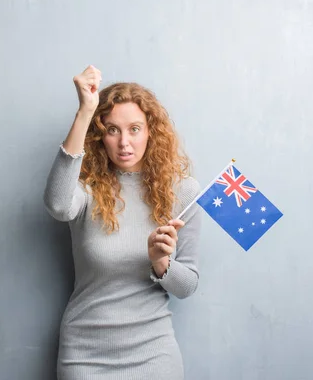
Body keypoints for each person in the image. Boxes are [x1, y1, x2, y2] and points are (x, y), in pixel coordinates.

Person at [43, 65, 202, 379]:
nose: (124, 142)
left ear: (151, 131)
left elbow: (188, 285)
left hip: (153, 356)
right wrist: (85, 111)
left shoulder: (182, 192)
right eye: (112, 130)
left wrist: (162, 262)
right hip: (85, 356)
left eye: (134, 129)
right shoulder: (86, 189)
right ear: (100, 136)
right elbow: (58, 205)